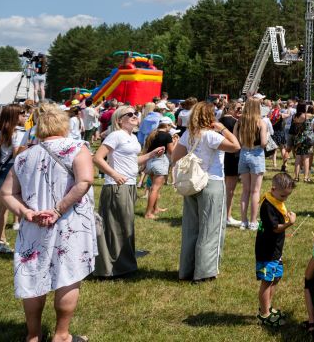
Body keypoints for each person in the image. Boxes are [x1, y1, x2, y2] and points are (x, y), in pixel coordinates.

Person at [1, 103, 97, 342]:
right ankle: (62, 335)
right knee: (67, 275)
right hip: (70, 224)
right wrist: (57, 210)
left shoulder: (24, 155)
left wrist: (26, 213)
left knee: (32, 276)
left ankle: (33, 336)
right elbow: (84, 181)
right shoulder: (77, 147)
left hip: (33, 225)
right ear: (63, 124)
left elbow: (6, 194)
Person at [92, 105, 164, 278]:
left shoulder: (131, 137)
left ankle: (123, 265)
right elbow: (97, 158)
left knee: (125, 226)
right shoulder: (116, 135)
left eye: (135, 114)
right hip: (117, 186)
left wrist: (151, 154)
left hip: (130, 185)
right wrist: (114, 174)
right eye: (129, 114)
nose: (134, 116)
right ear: (119, 120)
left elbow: (133, 161)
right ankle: (112, 268)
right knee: (117, 227)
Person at [173, 101, 241, 282]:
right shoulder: (211, 136)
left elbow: (175, 157)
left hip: (192, 183)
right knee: (211, 229)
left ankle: (187, 269)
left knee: (191, 228)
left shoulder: (188, 134)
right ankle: (205, 271)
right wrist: (223, 130)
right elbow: (236, 146)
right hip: (212, 182)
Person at [255, 172, 296, 328]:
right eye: (283, 195)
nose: (285, 199)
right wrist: (289, 223)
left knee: (276, 278)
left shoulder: (277, 202)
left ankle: (268, 307)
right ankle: (264, 314)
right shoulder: (267, 206)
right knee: (267, 281)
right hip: (267, 251)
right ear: (273, 189)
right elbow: (275, 229)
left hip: (276, 250)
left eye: (287, 196)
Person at [0, 104, 28, 255]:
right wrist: (26, 147)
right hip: (8, 174)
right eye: (22, 114)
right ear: (15, 116)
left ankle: (0, 240)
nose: (25, 116)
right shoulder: (18, 132)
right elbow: (16, 156)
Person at [234, 98, 269, 231]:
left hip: (243, 153)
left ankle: (244, 221)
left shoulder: (239, 122)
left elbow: (235, 138)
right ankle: (253, 221)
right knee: (255, 191)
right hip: (257, 154)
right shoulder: (261, 122)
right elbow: (264, 143)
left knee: (245, 191)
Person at [142, 118, 177, 219]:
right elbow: (171, 152)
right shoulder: (167, 135)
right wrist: (175, 142)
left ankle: (155, 208)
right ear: (167, 126)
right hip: (160, 162)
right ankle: (148, 213)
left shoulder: (152, 134)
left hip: (150, 161)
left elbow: (146, 149)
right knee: (155, 189)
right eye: (170, 126)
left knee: (154, 188)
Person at [220, 101, 242, 227]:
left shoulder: (218, 121)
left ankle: (222, 215)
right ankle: (227, 216)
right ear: (231, 109)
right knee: (230, 190)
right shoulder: (235, 123)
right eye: (238, 108)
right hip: (232, 156)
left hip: (220, 156)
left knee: (221, 188)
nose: (240, 111)